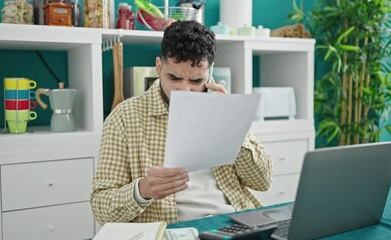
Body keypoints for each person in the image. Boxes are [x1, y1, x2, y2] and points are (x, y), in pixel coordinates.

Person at [91, 20, 272, 224]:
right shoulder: (124, 117)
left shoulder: (222, 108)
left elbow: (262, 182)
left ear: (210, 72)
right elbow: (101, 208)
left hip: (234, 220)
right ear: (159, 66)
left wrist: (231, 125)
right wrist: (143, 190)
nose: (184, 90)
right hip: (174, 230)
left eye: (196, 81)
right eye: (174, 78)